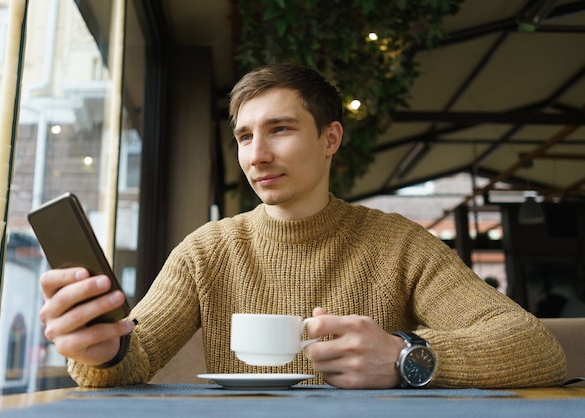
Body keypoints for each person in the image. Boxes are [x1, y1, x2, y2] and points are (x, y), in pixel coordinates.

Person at [39, 62, 566, 389]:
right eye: (244, 136)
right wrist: (103, 350)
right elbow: (140, 352)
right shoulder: (208, 248)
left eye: (280, 129)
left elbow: (536, 348)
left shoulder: (401, 244)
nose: (257, 154)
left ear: (330, 139)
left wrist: (407, 356)